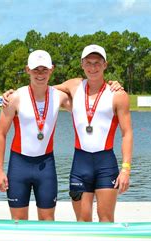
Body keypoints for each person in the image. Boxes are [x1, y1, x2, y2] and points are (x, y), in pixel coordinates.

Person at [55, 44, 133, 223]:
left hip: (106, 164)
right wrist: (11, 94)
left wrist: (126, 170)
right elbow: (42, 88)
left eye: (97, 63)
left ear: (105, 65)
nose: (92, 67)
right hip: (80, 164)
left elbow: (127, 133)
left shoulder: (118, 95)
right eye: (88, 63)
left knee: (106, 220)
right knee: (82, 222)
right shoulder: (74, 85)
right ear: (82, 64)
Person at [0, 50, 71, 221]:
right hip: (19, 166)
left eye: (44, 69)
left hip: (46, 166)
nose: (40, 74)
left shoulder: (60, 97)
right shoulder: (14, 98)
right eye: (36, 69)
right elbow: (0, 134)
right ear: (27, 70)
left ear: (52, 70)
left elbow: (84, 87)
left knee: (47, 223)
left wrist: (112, 85)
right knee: (19, 225)